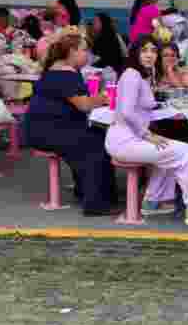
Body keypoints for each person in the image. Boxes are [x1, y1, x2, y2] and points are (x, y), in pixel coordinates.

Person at [106, 37, 188, 225]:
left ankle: (153, 201)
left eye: (153, 51)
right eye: (144, 50)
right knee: (187, 152)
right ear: (135, 53)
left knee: (171, 149)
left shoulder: (142, 74)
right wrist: (148, 135)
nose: (150, 55)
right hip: (125, 141)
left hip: (132, 138)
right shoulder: (131, 74)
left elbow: (144, 104)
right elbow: (125, 111)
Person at [23, 32, 118, 217]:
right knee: (95, 147)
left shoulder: (54, 70)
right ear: (72, 52)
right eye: (84, 50)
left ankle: (90, 191)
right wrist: (103, 98)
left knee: (97, 137)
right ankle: (95, 203)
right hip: (48, 131)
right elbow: (83, 105)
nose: (87, 54)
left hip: (44, 128)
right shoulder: (66, 74)